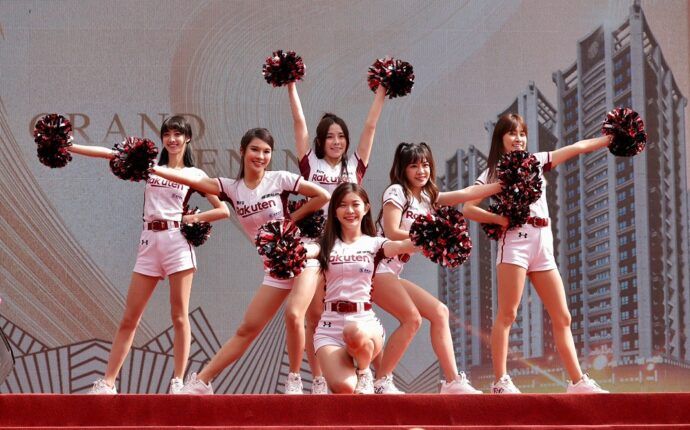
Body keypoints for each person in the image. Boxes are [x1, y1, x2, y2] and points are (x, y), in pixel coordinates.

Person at [150, 127, 329, 394]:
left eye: (266, 151)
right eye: (255, 149)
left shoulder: (279, 179)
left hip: (301, 256)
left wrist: (291, 221)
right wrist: (153, 170)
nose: (261, 156)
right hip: (275, 268)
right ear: (242, 151)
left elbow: (323, 196)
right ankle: (202, 381)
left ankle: (296, 379)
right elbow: (194, 182)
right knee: (248, 328)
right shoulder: (231, 188)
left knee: (295, 314)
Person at [75, 115, 230, 394]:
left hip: (176, 243)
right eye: (167, 134)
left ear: (188, 138)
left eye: (178, 134)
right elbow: (110, 154)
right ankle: (108, 382)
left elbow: (223, 210)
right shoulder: (151, 167)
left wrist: (193, 219)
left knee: (179, 315)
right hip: (149, 243)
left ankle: (178, 381)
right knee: (130, 317)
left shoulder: (195, 174)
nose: (172, 139)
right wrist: (70, 147)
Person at [463, 113, 609, 394]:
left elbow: (577, 147)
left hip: (543, 244)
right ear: (501, 139)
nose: (518, 138)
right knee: (508, 314)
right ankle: (500, 382)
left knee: (563, 316)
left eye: (522, 133)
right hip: (514, 244)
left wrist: (607, 140)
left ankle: (577, 382)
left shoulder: (536, 161)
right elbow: (468, 208)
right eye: (512, 133)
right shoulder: (493, 172)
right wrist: (499, 219)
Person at [371, 142, 502, 394]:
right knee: (412, 319)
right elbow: (392, 232)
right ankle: (382, 381)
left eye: (425, 165)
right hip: (374, 268)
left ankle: (452, 382)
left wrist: (500, 186)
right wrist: (431, 238)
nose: (421, 171)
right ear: (403, 169)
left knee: (440, 312)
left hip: (391, 272)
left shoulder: (427, 198)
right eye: (414, 166)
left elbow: (465, 193)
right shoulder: (397, 192)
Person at [285, 81, 387, 393]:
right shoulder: (310, 163)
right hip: (317, 245)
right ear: (320, 140)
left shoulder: (354, 165)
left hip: (349, 244)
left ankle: (371, 372)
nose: (336, 141)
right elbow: (299, 122)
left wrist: (381, 92)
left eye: (341, 136)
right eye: (330, 136)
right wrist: (290, 85)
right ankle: (312, 378)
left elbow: (370, 126)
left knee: (355, 307)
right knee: (311, 312)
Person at [314, 182, 417, 394]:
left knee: (353, 331)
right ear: (334, 211)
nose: (349, 210)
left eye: (355, 204)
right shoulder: (323, 244)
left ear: (366, 208)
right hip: (329, 328)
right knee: (343, 388)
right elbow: (307, 251)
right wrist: (288, 249)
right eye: (342, 205)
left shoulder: (375, 244)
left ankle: (364, 372)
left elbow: (401, 245)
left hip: (364, 323)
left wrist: (431, 239)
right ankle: (355, 374)